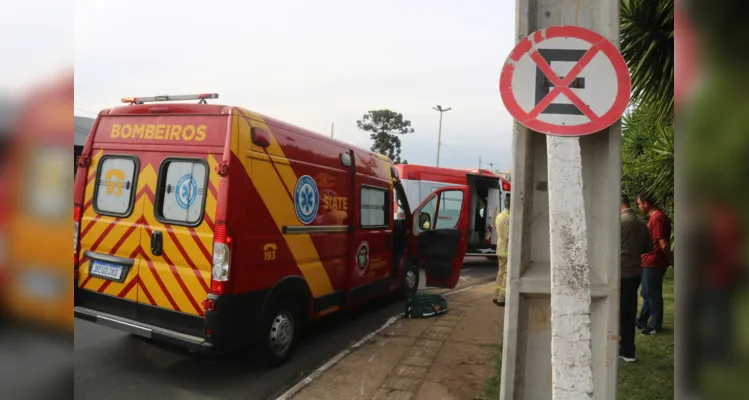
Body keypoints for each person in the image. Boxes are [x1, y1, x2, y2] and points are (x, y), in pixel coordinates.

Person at [619, 195, 652, 362]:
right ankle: (624, 346)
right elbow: (648, 247)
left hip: (622, 271)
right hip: (635, 272)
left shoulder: (619, 222)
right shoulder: (640, 222)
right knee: (629, 310)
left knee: (621, 312)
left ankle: (627, 350)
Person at [636, 194, 673, 335]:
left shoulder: (658, 218)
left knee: (653, 294)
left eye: (639, 204)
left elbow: (663, 244)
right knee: (646, 292)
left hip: (654, 262)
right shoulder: (655, 217)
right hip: (648, 261)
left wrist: (671, 260)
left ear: (646, 204)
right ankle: (642, 320)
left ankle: (655, 326)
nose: (639, 206)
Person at [492, 196, 511, 306]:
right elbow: (508, 235)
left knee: (500, 272)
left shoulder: (499, 215)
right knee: (506, 274)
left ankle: (496, 295)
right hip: (507, 249)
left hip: (500, 248)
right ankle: (501, 298)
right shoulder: (508, 218)